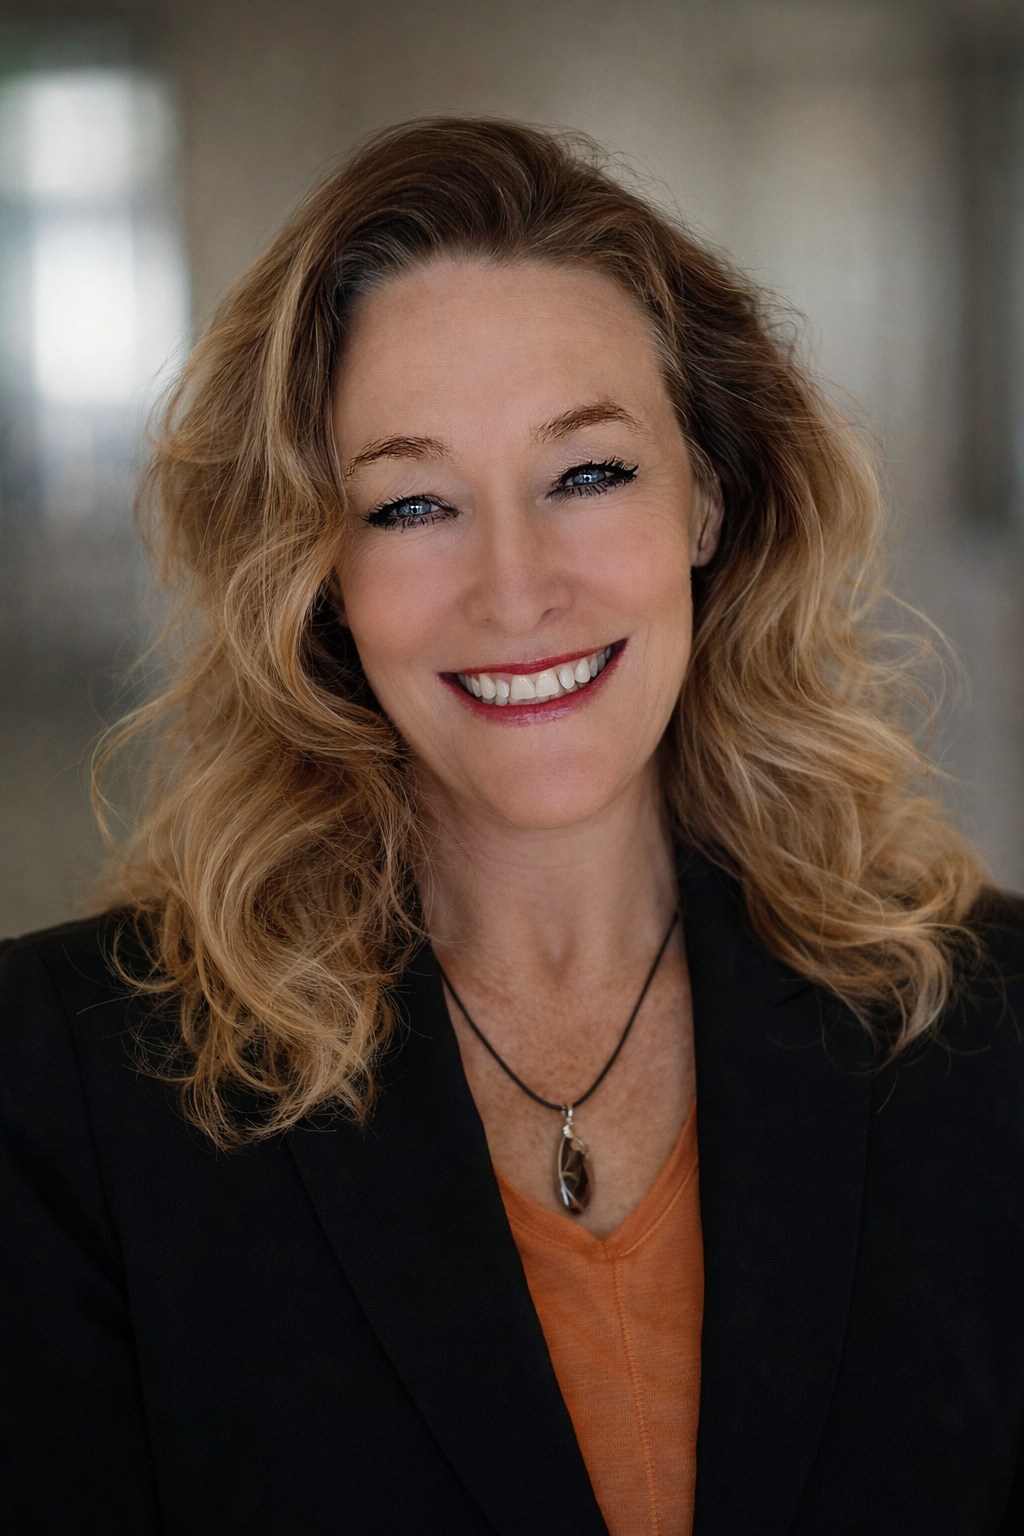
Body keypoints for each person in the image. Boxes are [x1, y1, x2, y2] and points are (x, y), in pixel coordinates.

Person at [1, 116, 1022, 1536]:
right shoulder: (60, 1089)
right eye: (413, 503)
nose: (515, 584)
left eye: (589, 473)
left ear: (711, 499)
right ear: (316, 577)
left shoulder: (988, 1027)